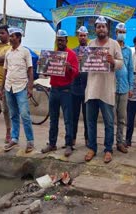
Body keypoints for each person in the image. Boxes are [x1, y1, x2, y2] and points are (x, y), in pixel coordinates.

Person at [84, 16, 123, 163]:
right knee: (91, 121)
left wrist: (113, 61)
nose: (101, 29)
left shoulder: (114, 45)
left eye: (103, 26)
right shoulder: (90, 44)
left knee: (109, 122)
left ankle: (108, 150)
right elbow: (85, 63)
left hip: (107, 90)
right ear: (95, 29)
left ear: (107, 29)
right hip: (92, 89)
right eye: (98, 26)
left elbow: (121, 63)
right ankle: (92, 148)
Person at [41, 29, 78, 157]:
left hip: (66, 91)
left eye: (62, 40)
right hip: (53, 90)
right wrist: (43, 68)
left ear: (67, 41)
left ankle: (69, 145)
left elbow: (76, 72)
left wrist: (69, 68)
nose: (60, 42)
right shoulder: (52, 54)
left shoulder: (71, 54)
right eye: (58, 40)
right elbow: (46, 72)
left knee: (68, 119)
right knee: (53, 119)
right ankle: (52, 144)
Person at [0, 27, 34, 153]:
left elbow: (30, 70)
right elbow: (5, 71)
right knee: (13, 114)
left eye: (13, 36)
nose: (10, 38)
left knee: (25, 115)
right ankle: (14, 138)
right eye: (10, 36)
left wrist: (30, 87)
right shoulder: (8, 53)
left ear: (18, 37)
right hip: (9, 87)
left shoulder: (25, 52)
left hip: (21, 88)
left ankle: (30, 141)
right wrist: (1, 89)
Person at [115, 22, 134, 153]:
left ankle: (119, 142)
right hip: (111, 87)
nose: (121, 34)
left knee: (122, 117)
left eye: (123, 32)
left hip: (124, 88)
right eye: (119, 32)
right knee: (110, 117)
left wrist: (130, 87)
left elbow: (131, 70)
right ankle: (108, 143)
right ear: (115, 33)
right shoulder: (112, 47)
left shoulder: (128, 50)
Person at [71, 26, 89, 147]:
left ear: (87, 37)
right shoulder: (73, 52)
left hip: (88, 88)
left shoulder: (92, 52)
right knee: (74, 116)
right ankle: (72, 139)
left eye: (84, 35)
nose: (82, 37)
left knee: (88, 116)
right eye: (80, 35)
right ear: (78, 36)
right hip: (75, 88)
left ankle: (88, 139)